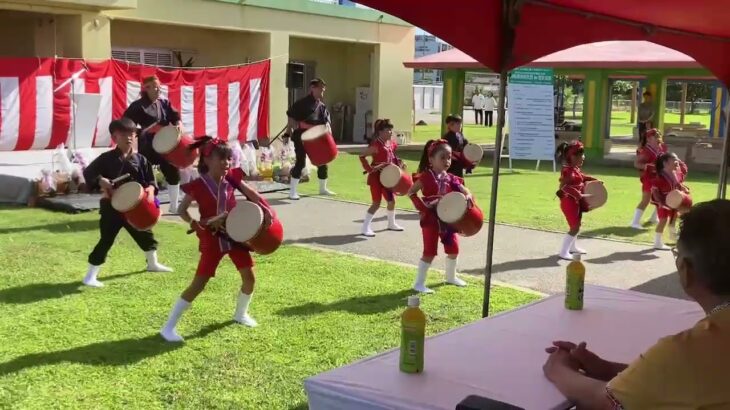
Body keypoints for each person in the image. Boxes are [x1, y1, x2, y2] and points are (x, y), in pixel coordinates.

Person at [543, 199, 730, 409]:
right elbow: (671, 380)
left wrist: (558, 369)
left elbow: (605, 402)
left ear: (686, 270)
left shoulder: (690, 349)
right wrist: (604, 368)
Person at [160, 136, 276, 342]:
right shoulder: (197, 184)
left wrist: (266, 210)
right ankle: (168, 327)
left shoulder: (232, 178)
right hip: (212, 239)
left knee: (249, 278)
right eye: (221, 158)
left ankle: (240, 314)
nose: (226, 163)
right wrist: (196, 224)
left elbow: (253, 195)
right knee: (199, 283)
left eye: (228, 158)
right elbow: (182, 210)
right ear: (207, 160)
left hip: (234, 236)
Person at [81, 118, 172, 288]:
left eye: (132, 134)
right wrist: (102, 181)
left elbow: (152, 182)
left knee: (145, 233)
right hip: (111, 207)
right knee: (106, 240)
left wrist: (151, 191)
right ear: (115, 136)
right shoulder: (106, 158)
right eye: (124, 134)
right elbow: (88, 173)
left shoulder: (141, 160)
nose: (129, 137)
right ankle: (90, 276)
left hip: (136, 207)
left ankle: (152, 264)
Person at [407, 139, 472, 293]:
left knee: (453, 248)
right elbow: (411, 192)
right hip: (430, 219)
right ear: (431, 160)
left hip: (448, 220)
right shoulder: (425, 177)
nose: (447, 161)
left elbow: (466, 191)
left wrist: (468, 197)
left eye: (449, 157)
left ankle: (451, 277)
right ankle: (419, 284)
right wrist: (424, 207)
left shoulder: (451, 178)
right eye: (442, 157)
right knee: (429, 251)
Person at [123, 76, 183, 214]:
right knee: (146, 175)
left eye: (159, 86)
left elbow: (176, 118)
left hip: (166, 145)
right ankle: (148, 206)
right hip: (147, 146)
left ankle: (174, 206)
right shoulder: (138, 106)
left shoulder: (164, 103)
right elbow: (126, 124)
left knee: (173, 171)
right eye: (154, 87)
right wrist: (145, 130)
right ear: (146, 88)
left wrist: (178, 125)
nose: (158, 89)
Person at [284, 78, 335, 200]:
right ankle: (292, 192)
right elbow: (291, 117)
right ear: (312, 88)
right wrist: (287, 133)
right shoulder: (301, 103)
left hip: (317, 137)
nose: (323, 89)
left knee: (322, 161)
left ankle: (322, 189)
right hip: (301, 136)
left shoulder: (322, 106)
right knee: (300, 162)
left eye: (323, 87)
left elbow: (326, 123)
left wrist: (329, 136)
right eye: (320, 87)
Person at [555, 140, 602, 260]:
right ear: (572, 157)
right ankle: (563, 251)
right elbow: (563, 188)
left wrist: (594, 180)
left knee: (577, 225)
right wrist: (576, 194)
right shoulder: (567, 171)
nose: (583, 158)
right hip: (568, 202)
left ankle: (572, 247)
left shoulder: (574, 169)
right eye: (581, 156)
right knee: (574, 227)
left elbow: (582, 177)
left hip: (576, 202)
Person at [358, 119, 405, 236]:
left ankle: (391, 223)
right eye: (388, 130)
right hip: (376, 178)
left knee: (391, 201)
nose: (390, 132)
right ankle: (365, 228)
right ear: (380, 132)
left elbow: (392, 157)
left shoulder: (392, 144)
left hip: (388, 178)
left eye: (391, 130)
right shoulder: (375, 145)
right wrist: (370, 169)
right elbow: (362, 156)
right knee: (376, 203)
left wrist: (399, 163)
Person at [650, 152, 689, 250]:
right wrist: (660, 202)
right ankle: (657, 242)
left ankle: (673, 237)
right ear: (665, 163)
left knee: (673, 218)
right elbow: (654, 190)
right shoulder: (660, 177)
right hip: (663, 202)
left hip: (674, 201)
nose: (677, 161)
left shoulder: (676, 174)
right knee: (663, 220)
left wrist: (683, 188)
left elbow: (678, 183)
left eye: (677, 159)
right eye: (674, 159)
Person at [630, 128, 665, 229]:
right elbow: (637, 164)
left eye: (659, 135)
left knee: (661, 197)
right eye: (655, 136)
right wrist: (648, 166)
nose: (658, 137)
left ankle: (654, 218)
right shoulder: (646, 150)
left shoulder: (660, 148)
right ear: (649, 139)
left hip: (658, 178)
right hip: (648, 178)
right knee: (646, 199)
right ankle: (635, 222)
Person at [442, 114, 472, 179]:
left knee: (459, 182)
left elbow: (465, 146)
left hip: (458, 164)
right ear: (450, 125)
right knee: (452, 182)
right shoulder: (447, 137)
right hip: (451, 165)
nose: (460, 126)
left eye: (460, 123)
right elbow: (444, 152)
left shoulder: (460, 135)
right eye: (457, 124)